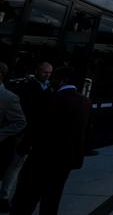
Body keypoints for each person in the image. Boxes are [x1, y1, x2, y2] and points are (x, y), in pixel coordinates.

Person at [10, 66, 91, 215]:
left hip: (41, 156)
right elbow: (80, 133)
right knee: (52, 198)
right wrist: (78, 158)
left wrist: (24, 146)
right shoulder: (84, 102)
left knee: (26, 196)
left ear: (62, 80)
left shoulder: (51, 98)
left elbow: (37, 126)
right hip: (65, 160)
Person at [1, 62, 52, 209]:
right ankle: (4, 196)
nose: (47, 75)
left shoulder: (48, 88)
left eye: (49, 73)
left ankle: (4, 195)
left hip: (30, 133)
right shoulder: (26, 87)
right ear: (36, 71)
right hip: (22, 133)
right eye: (44, 72)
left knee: (15, 165)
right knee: (13, 165)